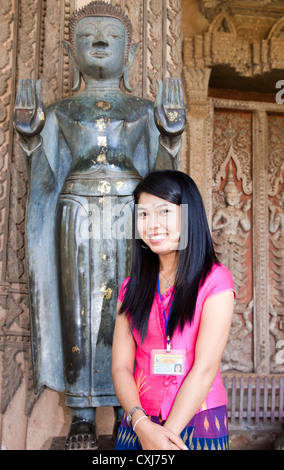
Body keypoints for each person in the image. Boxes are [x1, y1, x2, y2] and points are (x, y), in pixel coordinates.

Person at [13, 1, 185, 449]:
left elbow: (162, 176)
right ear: (73, 51)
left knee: (132, 307)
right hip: (77, 213)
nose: (100, 42)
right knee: (79, 311)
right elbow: (47, 168)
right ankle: (83, 415)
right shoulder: (63, 109)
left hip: (132, 217)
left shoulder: (143, 109)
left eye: (110, 35)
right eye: (88, 36)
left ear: (128, 53)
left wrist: (170, 134)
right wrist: (31, 134)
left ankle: (132, 410)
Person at [112, 170, 235, 450]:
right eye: (143, 214)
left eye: (164, 211)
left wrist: (164, 438)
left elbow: (205, 368)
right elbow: (120, 366)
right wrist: (142, 425)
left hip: (198, 420)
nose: (152, 224)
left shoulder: (215, 281)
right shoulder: (130, 287)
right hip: (139, 421)